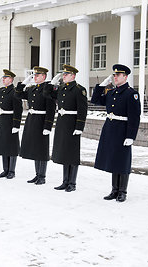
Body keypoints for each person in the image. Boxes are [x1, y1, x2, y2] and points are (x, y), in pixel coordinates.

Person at [91, 64, 141, 202]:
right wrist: (101, 86)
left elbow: (135, 117)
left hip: (123, 130)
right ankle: (114, 190)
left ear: (125, 77)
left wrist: (131, 136)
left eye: (118, 75)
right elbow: (95, 100)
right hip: (110, 128)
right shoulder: (111, 92)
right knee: (113, 159)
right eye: (114, 75)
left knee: (122, 161)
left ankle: (122, 191)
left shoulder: (131, 94)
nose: (115, 77)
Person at [43, 64, 88, 192]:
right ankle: (65, 181)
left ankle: (72, 183)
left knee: (72, 154)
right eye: (63, 74)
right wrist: (51, 83)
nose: (64, 76)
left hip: (72, 123)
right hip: (62, 123)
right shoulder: (62, 88)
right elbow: (47, 94)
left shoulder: (79, 90)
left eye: (66, 74)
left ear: (73, 76)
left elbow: (82, 110)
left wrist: (79, 126)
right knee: (64, 153)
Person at [15, 67, 56, 185]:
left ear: (43, 76)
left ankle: (42, 176)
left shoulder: (47, 89)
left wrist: (48, 126)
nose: (35, 77)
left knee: (42, 149)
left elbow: (51, 109)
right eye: (34, 75)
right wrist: (23, 83)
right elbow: (18, 95)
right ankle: (37, 174)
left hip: (42, 120)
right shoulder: (32, 89)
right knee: (34, 148)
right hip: (32, 120)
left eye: (37, 75)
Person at [0, 69, 23, 179]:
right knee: (3, 145)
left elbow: (19, 109)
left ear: (11, 79)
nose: (3, 79)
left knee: (11, 146)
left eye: (5, 78)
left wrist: (16, 125)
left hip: (10, 121)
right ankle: (5, 169)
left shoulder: (14, 92)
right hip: (1, 120)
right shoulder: (2, 90)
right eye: (3, 78)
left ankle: (11, 170)